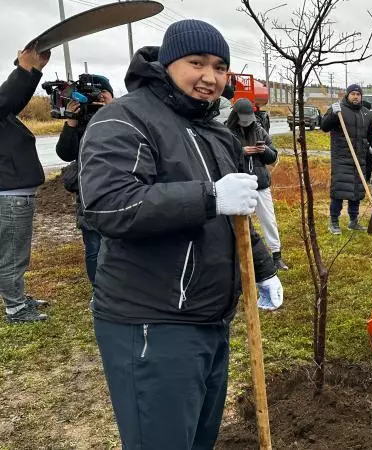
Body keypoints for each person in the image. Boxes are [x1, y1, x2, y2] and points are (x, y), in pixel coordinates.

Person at [79, 20, 283, 449]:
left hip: (209, 316)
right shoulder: (124, 118)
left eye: (220, 66)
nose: (210, 77)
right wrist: (208, 197)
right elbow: (109, 204)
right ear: (168, 63)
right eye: (196, 63)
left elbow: (239, 214)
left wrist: (264, 269)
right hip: (152, 321)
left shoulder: (214, 130)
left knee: (198, 439)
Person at [0, 46, 51, 323]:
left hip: (14, 196)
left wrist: (34, 70)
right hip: (10, 197)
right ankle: (16, 309)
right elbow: (8, 97)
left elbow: (13, 101)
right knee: (13, 255)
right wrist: (24, 69)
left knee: (13, 252)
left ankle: (16, 298)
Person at [55, 74, 114, 287]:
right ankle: (99, 291)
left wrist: (112, 109)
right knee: (94, 247)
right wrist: (71, 120)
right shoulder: (80, 122)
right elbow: (65, 152)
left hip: (118, 188)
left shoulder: (120, 116)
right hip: (89, 192)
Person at [226, 98, 289, 274]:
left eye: (248, 118)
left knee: (269, 220)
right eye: (242, 118)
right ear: (235, 116)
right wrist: (241, 151)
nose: (246, 122)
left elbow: (273, 155)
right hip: (238, 183)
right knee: (238, 222)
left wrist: (264, 151)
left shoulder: (259, 130)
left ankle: (276, 256)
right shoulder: (226, 132)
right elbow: (221, 155)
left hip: (260, 182)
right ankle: (240, 258)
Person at [320, 84, 372, 234]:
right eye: (352, 94)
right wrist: (332, 114)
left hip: (360, 157)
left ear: (361, 96)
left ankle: (353, 221)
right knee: (339, 191)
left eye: (358, 94)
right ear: (347, 95)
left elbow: (371, 135)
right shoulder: (339, 110)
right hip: (342, 158)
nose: (355, 96)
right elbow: (324, 126)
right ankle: (334, 222)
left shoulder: (366, 114)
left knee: (357, 191)